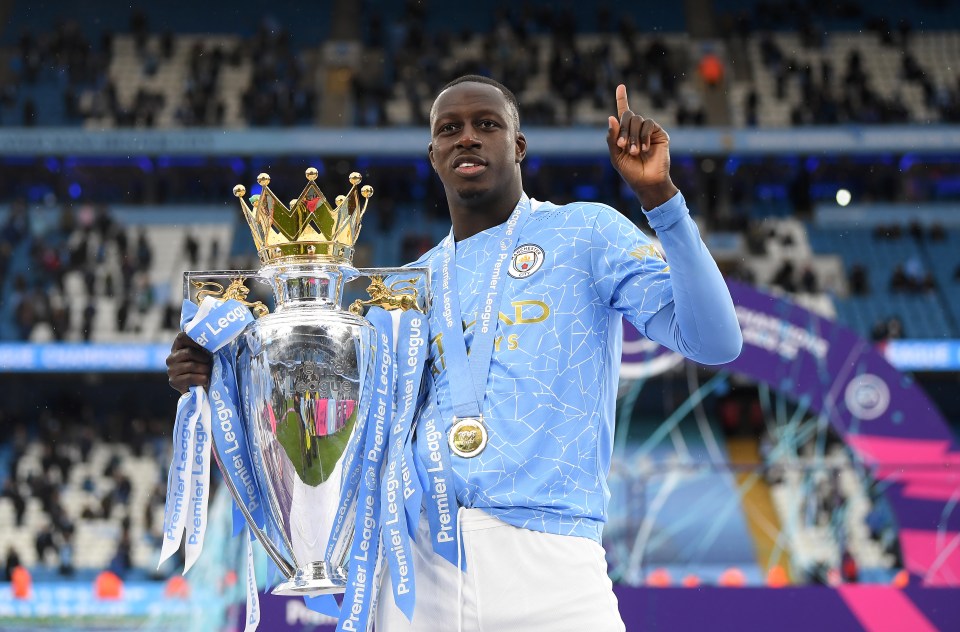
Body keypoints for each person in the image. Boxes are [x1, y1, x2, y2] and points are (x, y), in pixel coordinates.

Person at [166, 76, 741, 631]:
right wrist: (227, 379)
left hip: (554, 564)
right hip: (419, 571)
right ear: (434, 154)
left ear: (517, 146)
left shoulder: (584, 234)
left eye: (486, 124)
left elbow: (715, 340)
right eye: (449, 129)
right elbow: (338, 422)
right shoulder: (404, 288)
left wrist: (660, 199)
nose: (467, 136)